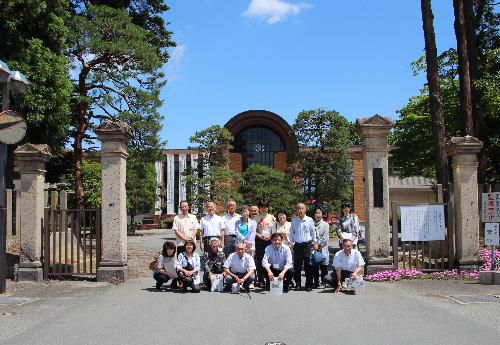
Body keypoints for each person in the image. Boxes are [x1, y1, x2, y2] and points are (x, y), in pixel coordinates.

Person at [289, 203, 317, 292]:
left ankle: (308, 284)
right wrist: (291, 243)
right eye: (298, 209)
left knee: (308, 265)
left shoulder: (309, 220)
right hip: (297, 245)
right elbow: (291, 233)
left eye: (302, 208)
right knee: (297, 266)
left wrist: (315, 243)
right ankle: (298, 284)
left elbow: (313, 232)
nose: (300, 210)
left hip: (307, 245)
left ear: (305, 210)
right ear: (296, 210)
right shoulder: (294, 220)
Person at [253, 200, 276, 288]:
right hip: (259, 241)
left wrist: (271, 237)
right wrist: (260, 236)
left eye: (265, 207)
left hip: (270, 241)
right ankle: (261, 280)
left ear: (268, 208)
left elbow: (274, 229)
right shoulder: (256, 218)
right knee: (260, 261)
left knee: (269, 260)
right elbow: (254, 231)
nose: (264, 208)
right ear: (259, 208)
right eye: (262, 207)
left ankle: (269, 279)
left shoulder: (272, 217)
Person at [312, 208, 330, 287]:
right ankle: (316, 282)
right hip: (313, 247)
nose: (318, 215)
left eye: (319, 213)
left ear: (322, 214)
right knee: (315, 265)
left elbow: (326, 237)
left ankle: (324, 281)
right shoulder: (311, 224)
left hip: (322, 247)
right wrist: (314, 244)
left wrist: (318, 244)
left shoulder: (325, 224)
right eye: (316, 213)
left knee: (324, 266)